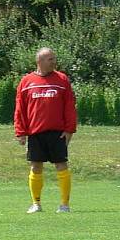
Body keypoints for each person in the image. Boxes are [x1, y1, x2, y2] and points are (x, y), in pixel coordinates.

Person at [14, 47, 76, 214]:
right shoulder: (26, 82)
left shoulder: (62, 80)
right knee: (35, 167)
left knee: (61, 165)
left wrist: (70, 129)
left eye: (54, 59)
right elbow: (20, 109)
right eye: (50, 59)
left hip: (57, 132)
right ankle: (36, 203)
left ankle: (64, 205)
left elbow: (70, 107)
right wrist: (20, 131)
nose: (54, 61)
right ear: (39, 61)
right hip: (35, 132)